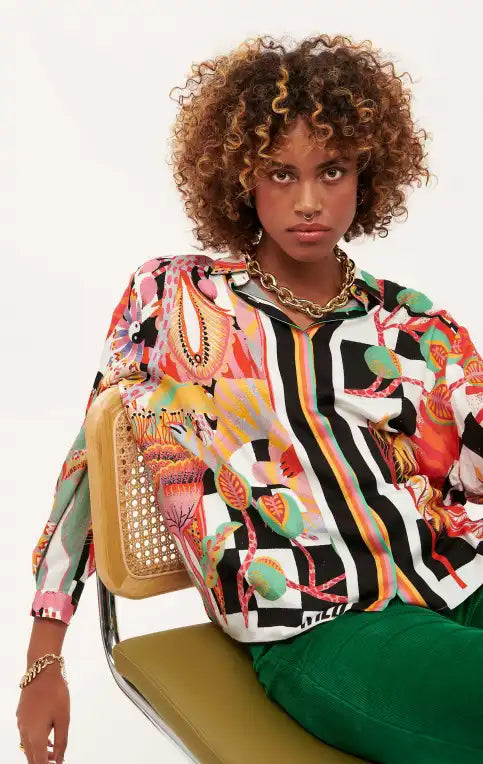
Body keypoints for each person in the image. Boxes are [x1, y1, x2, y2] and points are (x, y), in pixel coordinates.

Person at [17, 33, 483, 764]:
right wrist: (44, 654)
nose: (308, 201)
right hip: (319, 625)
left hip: (452, 577)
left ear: (366, 176)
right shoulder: (176, 298)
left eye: (332, 170)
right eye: (280, 173)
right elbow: (88, 464)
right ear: (242, 178)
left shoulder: (411, 322)